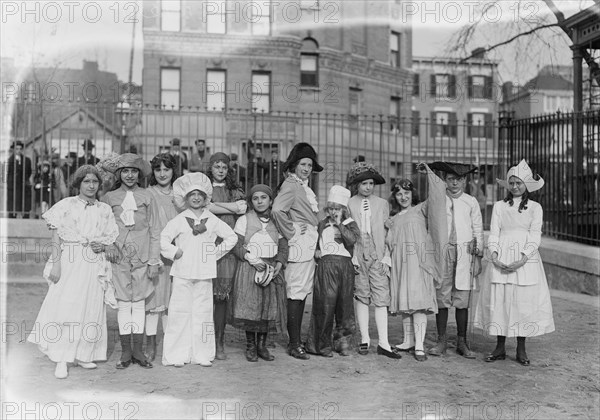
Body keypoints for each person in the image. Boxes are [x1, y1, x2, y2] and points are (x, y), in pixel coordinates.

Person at [28, 165, 119, 379]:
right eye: (86, 181)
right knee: (67, 306)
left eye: (94, 182)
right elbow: (56, 239)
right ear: (78, 184)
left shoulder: (104, 210)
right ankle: (62, 357)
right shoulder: (66, 205)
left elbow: (109, 239)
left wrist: (103, 246)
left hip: (93, 263)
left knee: (91, 305)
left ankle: (83, 353)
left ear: (99, 185)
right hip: (70, 261)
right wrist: (57, 265)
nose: (90, 185)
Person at [476, 159, 555, 366]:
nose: (514, 186)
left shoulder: (535, 208)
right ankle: (499, 346)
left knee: (522, 302)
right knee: (500, 299)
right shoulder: (500, 207)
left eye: (518, 182)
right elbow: (494, 232)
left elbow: (535, 235)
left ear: (526, 185)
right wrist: (494, 254)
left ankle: (521, 348)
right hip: (502, 254)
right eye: (511, 183)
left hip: (524, 258)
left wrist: (523, 258)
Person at [160, 173, 237, 367]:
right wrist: (174, 251)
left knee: (202, 313)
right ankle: (177, 354)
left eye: (199, 194)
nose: (196, 198)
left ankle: (201, 353)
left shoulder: (212, 219)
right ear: (185, 198)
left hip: (204, 272)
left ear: (206, 198)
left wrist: (215, 253)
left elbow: (231, 237)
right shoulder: (179, 220)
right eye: (192, 194)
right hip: (182, 271)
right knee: (179, 312)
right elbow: (163, 239)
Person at [102, 153, 161, 370]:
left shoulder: (147, 196)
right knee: (124, 304)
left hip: (143, 257)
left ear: (139, 174)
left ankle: (138, 350)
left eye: (133, 171)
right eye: (125, 171)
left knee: (138, 303)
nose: (129, 175)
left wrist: (154, 261)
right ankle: (126, 351)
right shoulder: (109, 198)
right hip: (119, 258)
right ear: (119, 174)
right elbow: (105, 228)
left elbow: (155, 230)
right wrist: (109, 246)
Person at [426, 161, 483, 359]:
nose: (455, 183)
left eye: (459, 179)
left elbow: (477, 230)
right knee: (442, 295)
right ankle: (441, 340)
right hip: (443, 253)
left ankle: (462, 341)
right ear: (445, 181)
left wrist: (478, 256)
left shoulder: (470, 201)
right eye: (451, 179)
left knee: (462, 299)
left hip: (465, 253)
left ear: (465, 180)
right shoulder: (438, 199)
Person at [386, 166, 443, 362]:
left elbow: (437, 195)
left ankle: (419, 344)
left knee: (418, 304)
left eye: (406, 193)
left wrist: (428, 173)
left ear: (413, 194)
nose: (403, 197)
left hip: (419, 263)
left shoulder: (420, 210)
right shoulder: (393, 219)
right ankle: (408, 340)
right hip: (401, 265)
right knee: (406, 303)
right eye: (399, 194)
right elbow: (389, 243)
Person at [272, 142, 322, 360]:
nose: (306, 168)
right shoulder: (291, 185)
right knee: (295, 292)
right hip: (299, 243)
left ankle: (295, 340)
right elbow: (276, 210)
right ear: (294, 165)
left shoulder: (302, 186)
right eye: (303, 164)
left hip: (308, 241)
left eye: (310, 165)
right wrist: (292, 230)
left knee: (301, 292)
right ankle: (293, 343)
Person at [347, 162, 401, 359]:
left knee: (380, 296)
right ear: (356, 185)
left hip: (377, 252)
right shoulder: (350, 203)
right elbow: (347, 230)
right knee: (362, 294)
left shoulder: (382, 204)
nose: (368, 187)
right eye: (364, 184)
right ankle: (364, 338)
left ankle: (384, 342)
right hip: (359, 252)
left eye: (371, 183)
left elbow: (388, 231)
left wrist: (386, 256)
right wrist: (352, 254)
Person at [230, 184, 289, 362]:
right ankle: (251, 346)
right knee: (251, 307)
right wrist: (251, 259)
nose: (260, 201)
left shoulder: (277, 220)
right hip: (251, 267)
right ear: (251, 201)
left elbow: (284, 245)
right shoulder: (244, 220)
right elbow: (236, 244)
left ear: (271, 200)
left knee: (267, 307)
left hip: (270, 268)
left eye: (264, 197)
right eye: (255, 198)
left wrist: (279, 261)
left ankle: (262, 346)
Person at [305, 185, 360, 358]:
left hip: (345, 266)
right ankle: (321, 345)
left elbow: (351, 240)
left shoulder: (350, 225)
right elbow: (316, 242)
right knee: (325, 305)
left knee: (344, 307)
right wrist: (316, 250)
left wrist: (339, 225)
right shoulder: (322, 224)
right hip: (326, 266)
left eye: (337, 208)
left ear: (344, 209)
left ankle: (342, 343)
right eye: (331, 208)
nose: (334, 211)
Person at [205, 152, 247, 360]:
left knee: (221, 298)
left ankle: (219, 342)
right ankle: (204, 341)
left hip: (228, 247)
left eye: (224, 167)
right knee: (205, 296)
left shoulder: (234, 189)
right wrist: (229, 207)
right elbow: (204, 207)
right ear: (210, 168)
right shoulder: (204, 187)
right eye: (216, 167)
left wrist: (215, 207)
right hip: (207, 243)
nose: (220, 170)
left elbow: (243, 208)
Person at [144, 153, 180, 362]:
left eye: (167, 169)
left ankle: (170, 345)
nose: (162, 174)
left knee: (171, 301)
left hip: (175, 254)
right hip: (154, 252)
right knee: (153, 300)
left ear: (173, 171)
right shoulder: (148, 194)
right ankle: (150, 345)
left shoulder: (180, 195)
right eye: (158, 170)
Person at [6, 140, 33, 218]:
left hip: (23, 186)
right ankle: (12, 217)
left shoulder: (27, 160)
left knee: (25, 206)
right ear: (13, 149)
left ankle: (25, 218)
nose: (18, 150)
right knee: (12, 207)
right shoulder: (9, 160)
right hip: (13, 186)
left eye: (20, 149)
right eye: (17, 149)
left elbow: (29, 172)